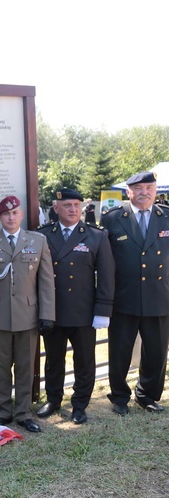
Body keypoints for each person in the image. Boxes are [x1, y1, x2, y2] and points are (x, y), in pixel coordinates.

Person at [0, 195, 55, 433]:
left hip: (28, 316)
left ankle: (23, 413)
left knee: (26, 367)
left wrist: (47, 314)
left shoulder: (37, 241)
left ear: (21, 214)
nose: (11, 217)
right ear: (0, 217)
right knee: (1, 366)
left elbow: (46, 281)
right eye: (6, 214)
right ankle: (4, 411)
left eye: (15, 212)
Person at [36, 188, 115, 424]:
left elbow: (107, 275)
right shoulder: (42, 235)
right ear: (56, 208)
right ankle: (53, 399)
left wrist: (103, 310)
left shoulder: (95, 236)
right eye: (67, 206)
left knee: (84, 361)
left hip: (83, 311)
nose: (72, 210)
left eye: (76, 206)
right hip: (53, 310)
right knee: (53, 359)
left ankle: (80, 404)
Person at [100, 171, 169, 415]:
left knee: (157, 351)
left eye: (149, 187)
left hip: (159, 296)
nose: (144, 192)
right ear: (128, 192)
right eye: (138, 188)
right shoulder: (112, 219)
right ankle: (119, 396)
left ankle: (147, 395)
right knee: (120, 350)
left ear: (155, 190)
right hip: (123, 297)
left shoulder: (166, 217)